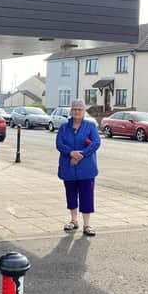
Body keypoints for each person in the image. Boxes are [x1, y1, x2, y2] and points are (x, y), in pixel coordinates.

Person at [56, 99, 101, 236]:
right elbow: (59, 144)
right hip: (68, 167)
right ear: (71, 111)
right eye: (74, 109)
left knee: (86, 195)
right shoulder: (64, 127)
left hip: (86, 169)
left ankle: (87, 225)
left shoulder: (90, 126)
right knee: (71, 194)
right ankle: (73, 220)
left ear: (84, 112)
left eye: (79, 109)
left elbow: (96, 143)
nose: (77, 112)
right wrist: (71, 153)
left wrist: (81, 155)